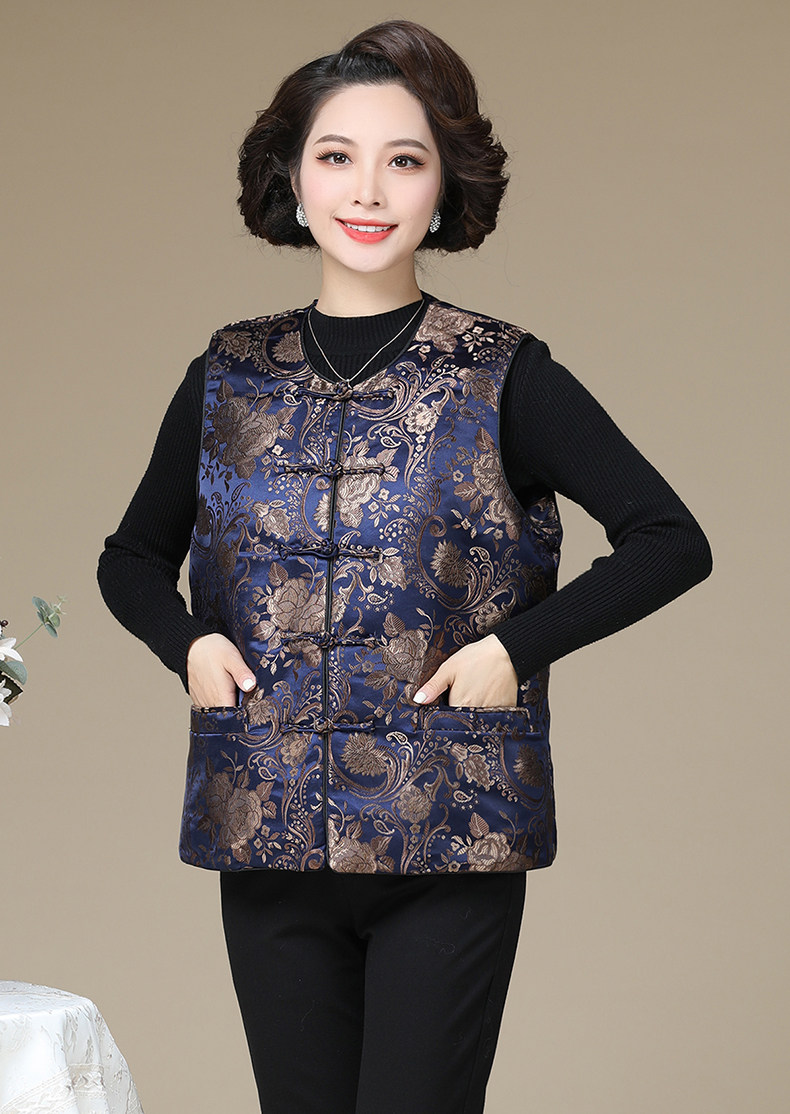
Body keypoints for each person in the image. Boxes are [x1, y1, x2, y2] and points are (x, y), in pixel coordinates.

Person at [98, 19, 712, 1114]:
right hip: (266, 827)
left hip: (452, 837)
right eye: (336, 156)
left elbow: (671, 539)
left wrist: (514, 649)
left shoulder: (501, 372)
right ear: (292, 179)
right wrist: (183, 642)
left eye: (405, 160)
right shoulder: (228, 374)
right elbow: (130, 558)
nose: (368, 190)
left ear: (443, 188)